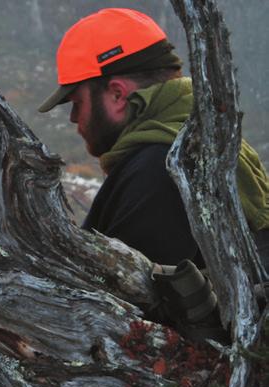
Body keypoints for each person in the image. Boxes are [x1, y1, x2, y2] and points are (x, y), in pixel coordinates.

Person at [38, 8, 269, 339]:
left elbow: (110, 319)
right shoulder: (205, 143)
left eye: (76, 101)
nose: (74, 118)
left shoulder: (159, 170)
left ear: (117, 95)